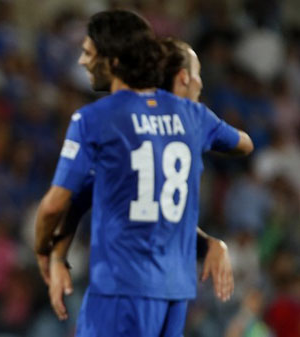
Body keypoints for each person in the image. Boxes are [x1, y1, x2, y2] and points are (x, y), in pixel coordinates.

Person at [34, 10, 253, 337]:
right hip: (175, 294)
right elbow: (244, 145)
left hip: (121, 288)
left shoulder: (96, 119)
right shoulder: (195, 116)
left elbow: (57, 205)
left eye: (89, 53)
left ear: (115, 61)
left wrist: (45, 251)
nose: (81, 62)